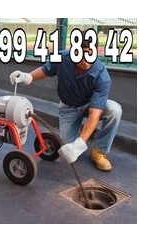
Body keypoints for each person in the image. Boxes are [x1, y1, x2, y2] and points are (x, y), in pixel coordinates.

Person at [9, 40, 122, 171]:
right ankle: (81, 131)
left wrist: (79, 145)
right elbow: (45, 70)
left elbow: (94, 115)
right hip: (69, 107)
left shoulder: (102, 76)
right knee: (66, 149)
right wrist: (27, 77)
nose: (85, 61)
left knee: (114, 110)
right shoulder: (62, 58)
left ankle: (99, 151)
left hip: (89, 105)